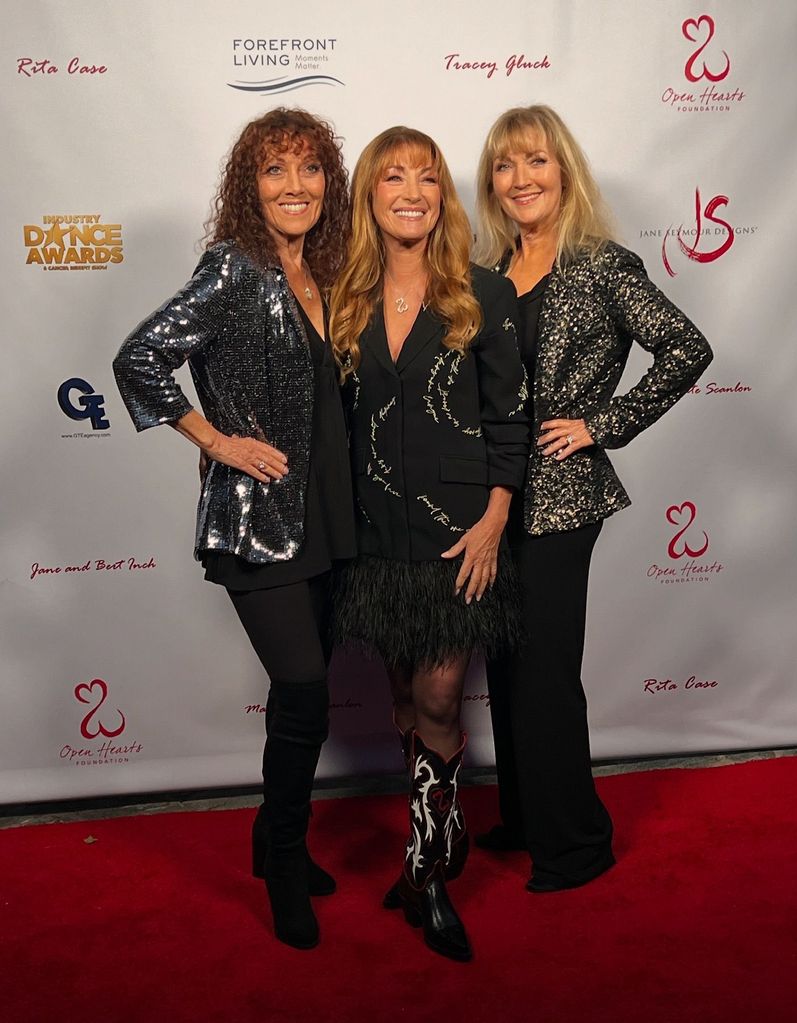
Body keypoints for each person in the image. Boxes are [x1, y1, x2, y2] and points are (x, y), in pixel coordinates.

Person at [113, 108, 354, 950]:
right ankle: (283, 857)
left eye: (310, 169)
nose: (296, 187)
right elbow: (138, 355)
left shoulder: (323, 269)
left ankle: (268, 837)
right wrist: (213, 439)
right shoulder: (234, 267)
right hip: (257, 522)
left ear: (331, 180)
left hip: (328, 514)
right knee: (304, 694)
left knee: (306, 695)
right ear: (248, 188)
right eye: (274, 172)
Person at [474, 104, 713, 893]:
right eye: (505, 166)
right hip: (491, 499)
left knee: (544, 671)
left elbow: (687, 347)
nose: (520, 179)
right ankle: (523, 816)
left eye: (535, 161)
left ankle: (575, 844)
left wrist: (602, 423)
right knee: (505, 665)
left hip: (563, 498)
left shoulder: (601, 265)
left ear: (564, 171)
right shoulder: (489, 270)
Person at [330, 127, 528, 962]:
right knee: (407, 703)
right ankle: (430, 850)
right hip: (377, 537)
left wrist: (493, 519)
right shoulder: (340, 297)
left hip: (459, 537)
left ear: (442, 196)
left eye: (427, 177)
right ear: (369, 194)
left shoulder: (484, 293)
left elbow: (509, 416)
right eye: (392, 176)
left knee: (442, 701)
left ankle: (429, 872)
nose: (411, 190)